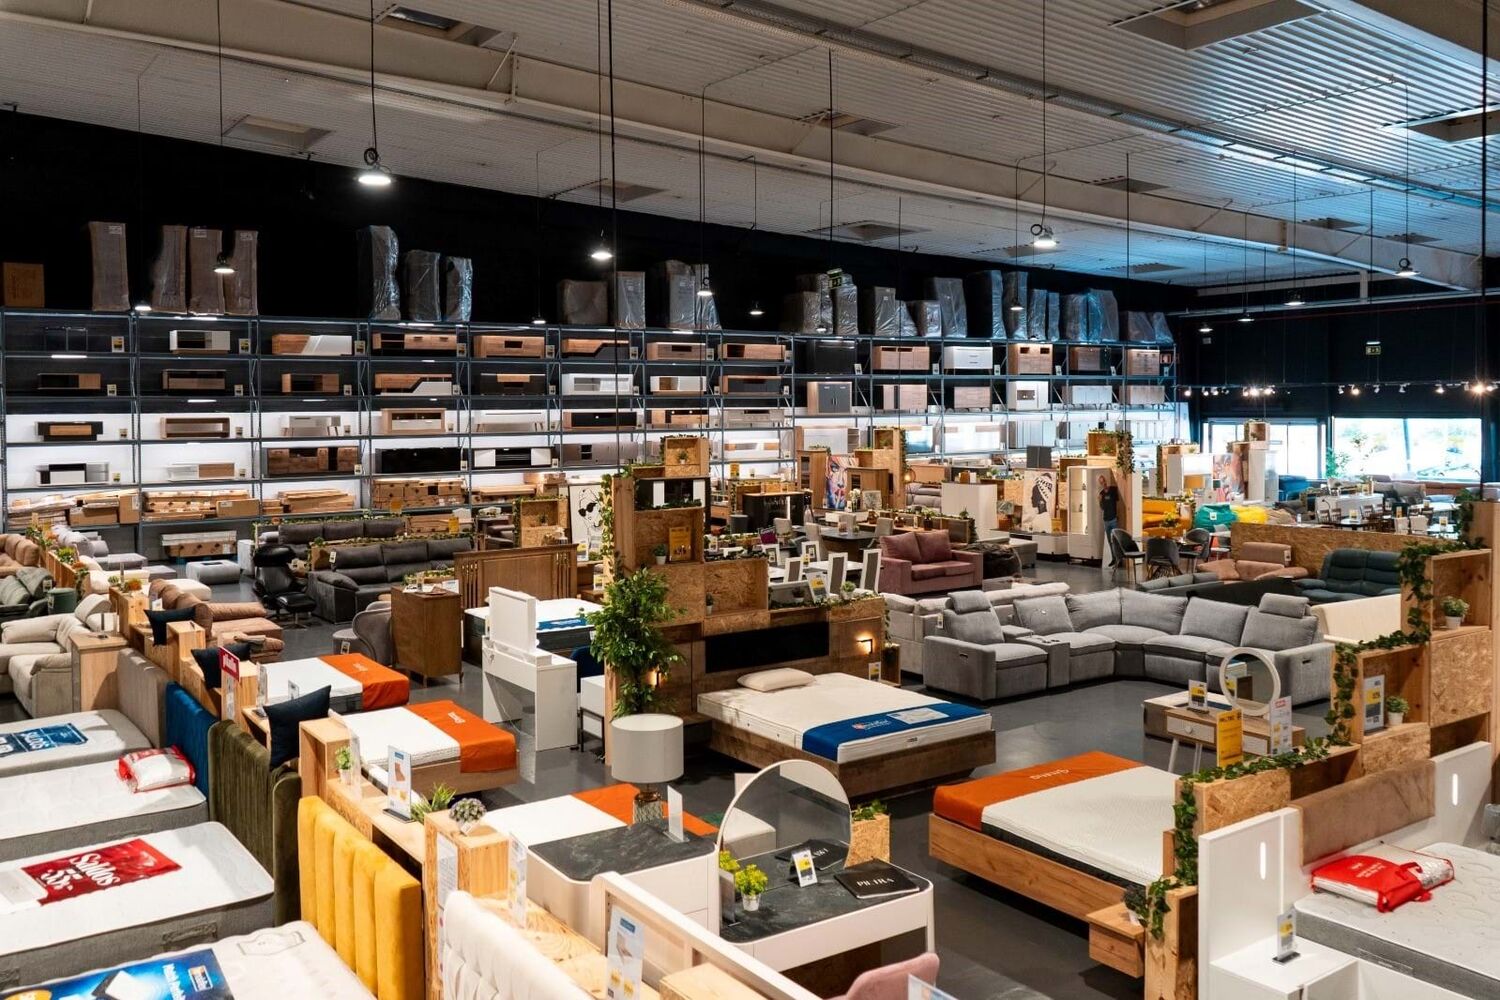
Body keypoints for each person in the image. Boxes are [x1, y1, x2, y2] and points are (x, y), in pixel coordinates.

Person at [1099, 477, 1120, 565]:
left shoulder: (1113, 490)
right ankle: (1113, 558)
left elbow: (1118, 503)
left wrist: (1117, 514)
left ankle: (1119, 559)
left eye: (1104, 481)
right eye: (1101, 482)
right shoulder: (1101, 494)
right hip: (1106, 520)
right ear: (1100, 484)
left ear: (1106, 481)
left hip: (1113, 519)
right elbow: (1102, 508)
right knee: (1109, 541)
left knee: (1116, 539)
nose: (1103, 483)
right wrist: (1100, 501)